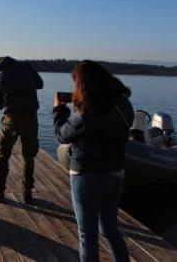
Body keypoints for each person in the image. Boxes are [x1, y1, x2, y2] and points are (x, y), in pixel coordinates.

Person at [53, 60, 134, 262]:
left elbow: (62, 135)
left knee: (87, 236)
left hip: (86, 177)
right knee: (110, 230)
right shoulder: (124, 105)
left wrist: (60, 111)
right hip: (115, 175)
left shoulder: (85, 112)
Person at [0, 56, 43, 204]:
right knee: (28, 156)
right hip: (31, 117)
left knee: (2, 155)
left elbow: (0, 106)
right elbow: (40, 84)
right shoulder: (27, 67)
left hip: (11, 119)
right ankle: (27, 195)